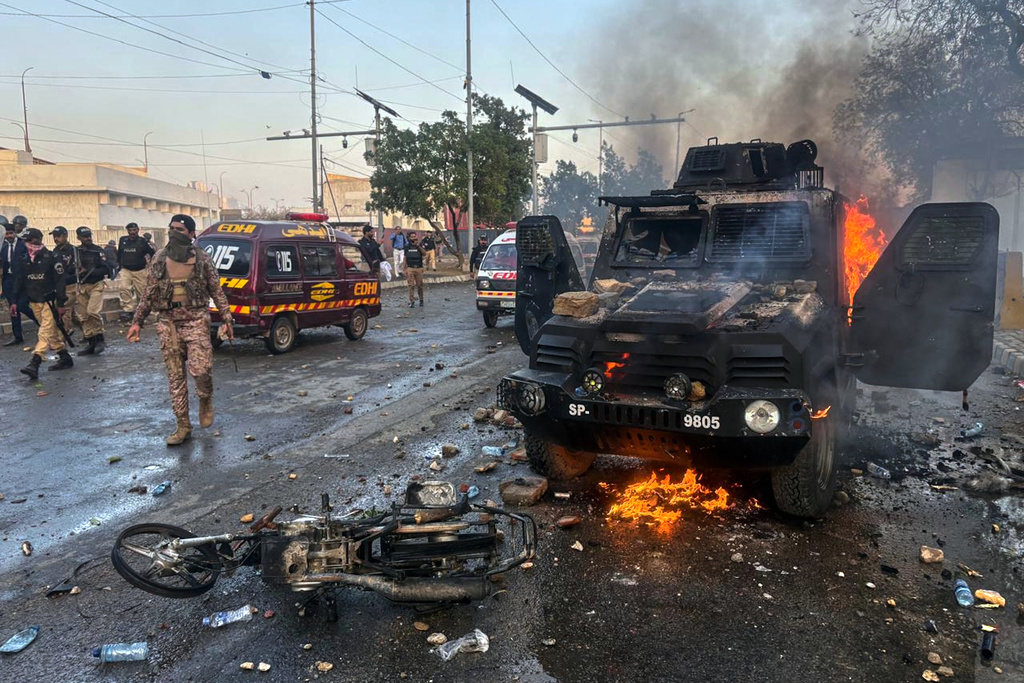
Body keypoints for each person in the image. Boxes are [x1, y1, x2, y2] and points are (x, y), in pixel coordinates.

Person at [126, 214, 234, 446]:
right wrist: (137, 322)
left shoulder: (202, 258)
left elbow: (216, 290)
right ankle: (183, 425)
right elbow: (148, 292)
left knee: (201, 370)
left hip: (195, 320)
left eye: (181, 230)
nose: (175, 233)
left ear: (192, 234)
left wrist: (227, 319)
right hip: (168, 323)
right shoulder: (159, 258)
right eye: (172, 228)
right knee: (175, 378)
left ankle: (205, 399)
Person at [11, 228, 73, 379]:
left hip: (49, 302)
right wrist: (13, 301)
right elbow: (19, 280)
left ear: (38, 239)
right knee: (50, 334)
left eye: (30, 240)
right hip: (34, 301)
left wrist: (60, 304)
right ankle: (65, 357)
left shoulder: (51, 257)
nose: (27, 244)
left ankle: (35, 362)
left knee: (43, 332)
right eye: (25, 241)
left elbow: (60, 283)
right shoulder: (24, 258)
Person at [73, 226, 111, 355]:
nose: (87, 238)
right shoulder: (76, 251)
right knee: (84, 315)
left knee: (92, 311)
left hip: (96, 284)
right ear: (78, 237)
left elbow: (106, 270)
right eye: (84, 236)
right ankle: (91, 342)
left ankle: (100, 338)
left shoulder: (97, 251)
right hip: (81, 286)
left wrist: (89, 271)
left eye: (89, 235)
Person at [2, 218, 38, 346]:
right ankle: (17, 336)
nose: (9, 236)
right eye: (7, 233)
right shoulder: (3, 246)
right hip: (8, 280)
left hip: (22, 280)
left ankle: (43, 325)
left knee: (22, 305)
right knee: (13, 308)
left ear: (14, 233)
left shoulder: (23, 245)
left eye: (11, 233)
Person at [117, 222, 155, 323]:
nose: (132, 232)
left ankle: (141, 313)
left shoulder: (142, 241)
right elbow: (119, 253)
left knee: (141, 293)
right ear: (127, 231)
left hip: (140, 270)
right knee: (124, 288)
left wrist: (150, 265)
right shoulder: (123, 240)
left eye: (134, 230)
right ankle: (128, 310)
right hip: (126, 270)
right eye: (130, 230)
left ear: (138, 230)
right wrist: (118, 265)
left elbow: (152, 253)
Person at [49, 226, 80, 339]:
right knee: (72, 314)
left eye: (58, 236)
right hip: (60, 286)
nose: (56, 239)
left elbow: (75, 268)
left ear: (65, 236)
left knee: (64, 309)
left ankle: (63, 335)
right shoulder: (55, 251)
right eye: (54, 237)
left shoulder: (74, 250)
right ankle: (89, 332)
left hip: (71, 285)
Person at [404, 231, 426, 308]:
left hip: (419, 267)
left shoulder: (420, 245)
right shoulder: (407, 246)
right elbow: (405, 257)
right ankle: (412, 301)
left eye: (414, 236)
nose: (414, 238)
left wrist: (418, 246)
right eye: (412, 237)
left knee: (420, 285)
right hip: (410, 267)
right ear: (409, 238)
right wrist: (404, 268)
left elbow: (424, 253)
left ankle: (421, 300)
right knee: (411, 285)